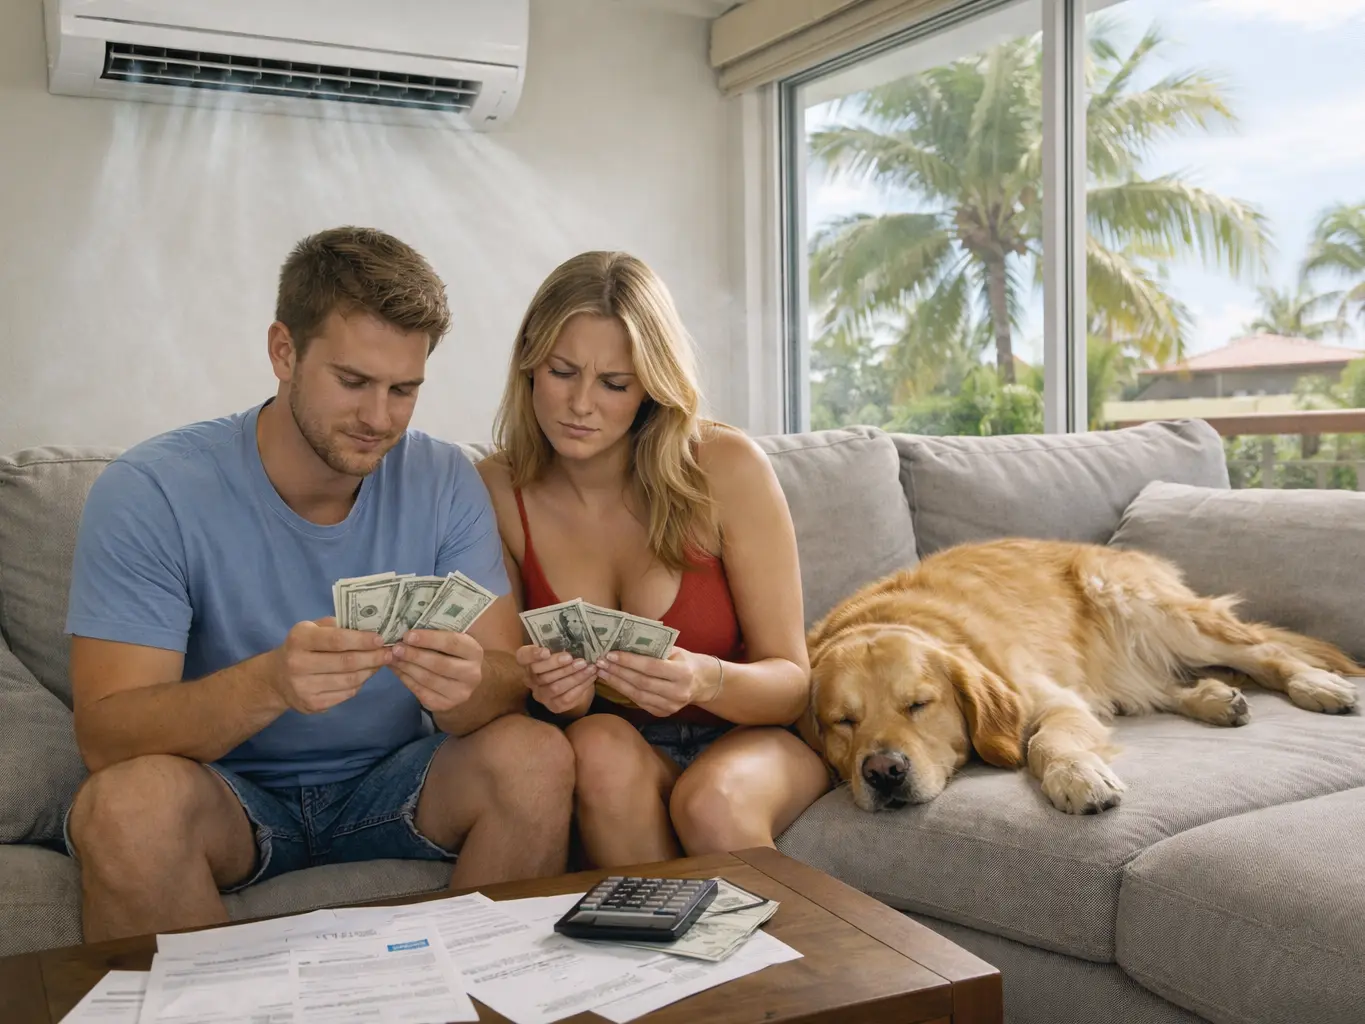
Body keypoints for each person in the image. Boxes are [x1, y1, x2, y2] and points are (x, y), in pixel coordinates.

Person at [62, 226, 574, 943]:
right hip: (229, 798)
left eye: (405, 390)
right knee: (123, 806)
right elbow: (106, 736)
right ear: (283, 351)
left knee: (535, 755)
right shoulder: (152, 490)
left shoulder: (443, 477)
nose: (379, 418)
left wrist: (469, 687)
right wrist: (269, 683)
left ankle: (483, 1000)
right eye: (353, 382)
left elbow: (499, 682)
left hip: (395, 782)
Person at [477, 250, 830, 868]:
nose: (581, 404)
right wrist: (557, 693)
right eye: (562, 372)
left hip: (750, 738)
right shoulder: (499, 490)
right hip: (620, 745)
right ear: (530, 362)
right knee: (594, 745)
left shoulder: (726, 467)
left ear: (650, 387)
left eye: (614, 384)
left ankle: (792, 964)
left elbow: (791, 686)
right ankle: (666, 958)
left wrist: (702, 677)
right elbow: (508, 691)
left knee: (711, 802)